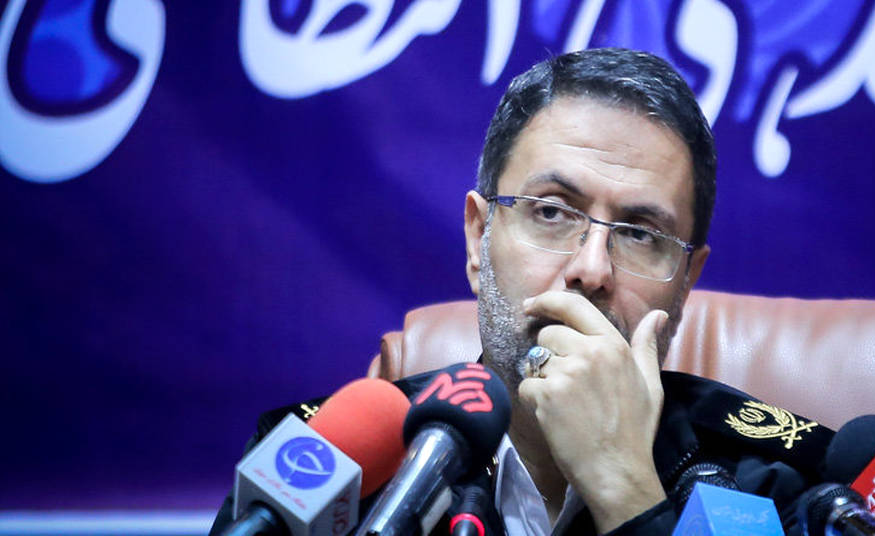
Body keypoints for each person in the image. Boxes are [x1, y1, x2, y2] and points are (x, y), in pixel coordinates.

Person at [210, 48, 828, 536]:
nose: (591, 270)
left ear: (686, 283)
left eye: (640, 233)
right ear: (478, 241)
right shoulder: (329, 471)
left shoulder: (779, 485)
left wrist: (625, 489)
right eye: (552, 212)